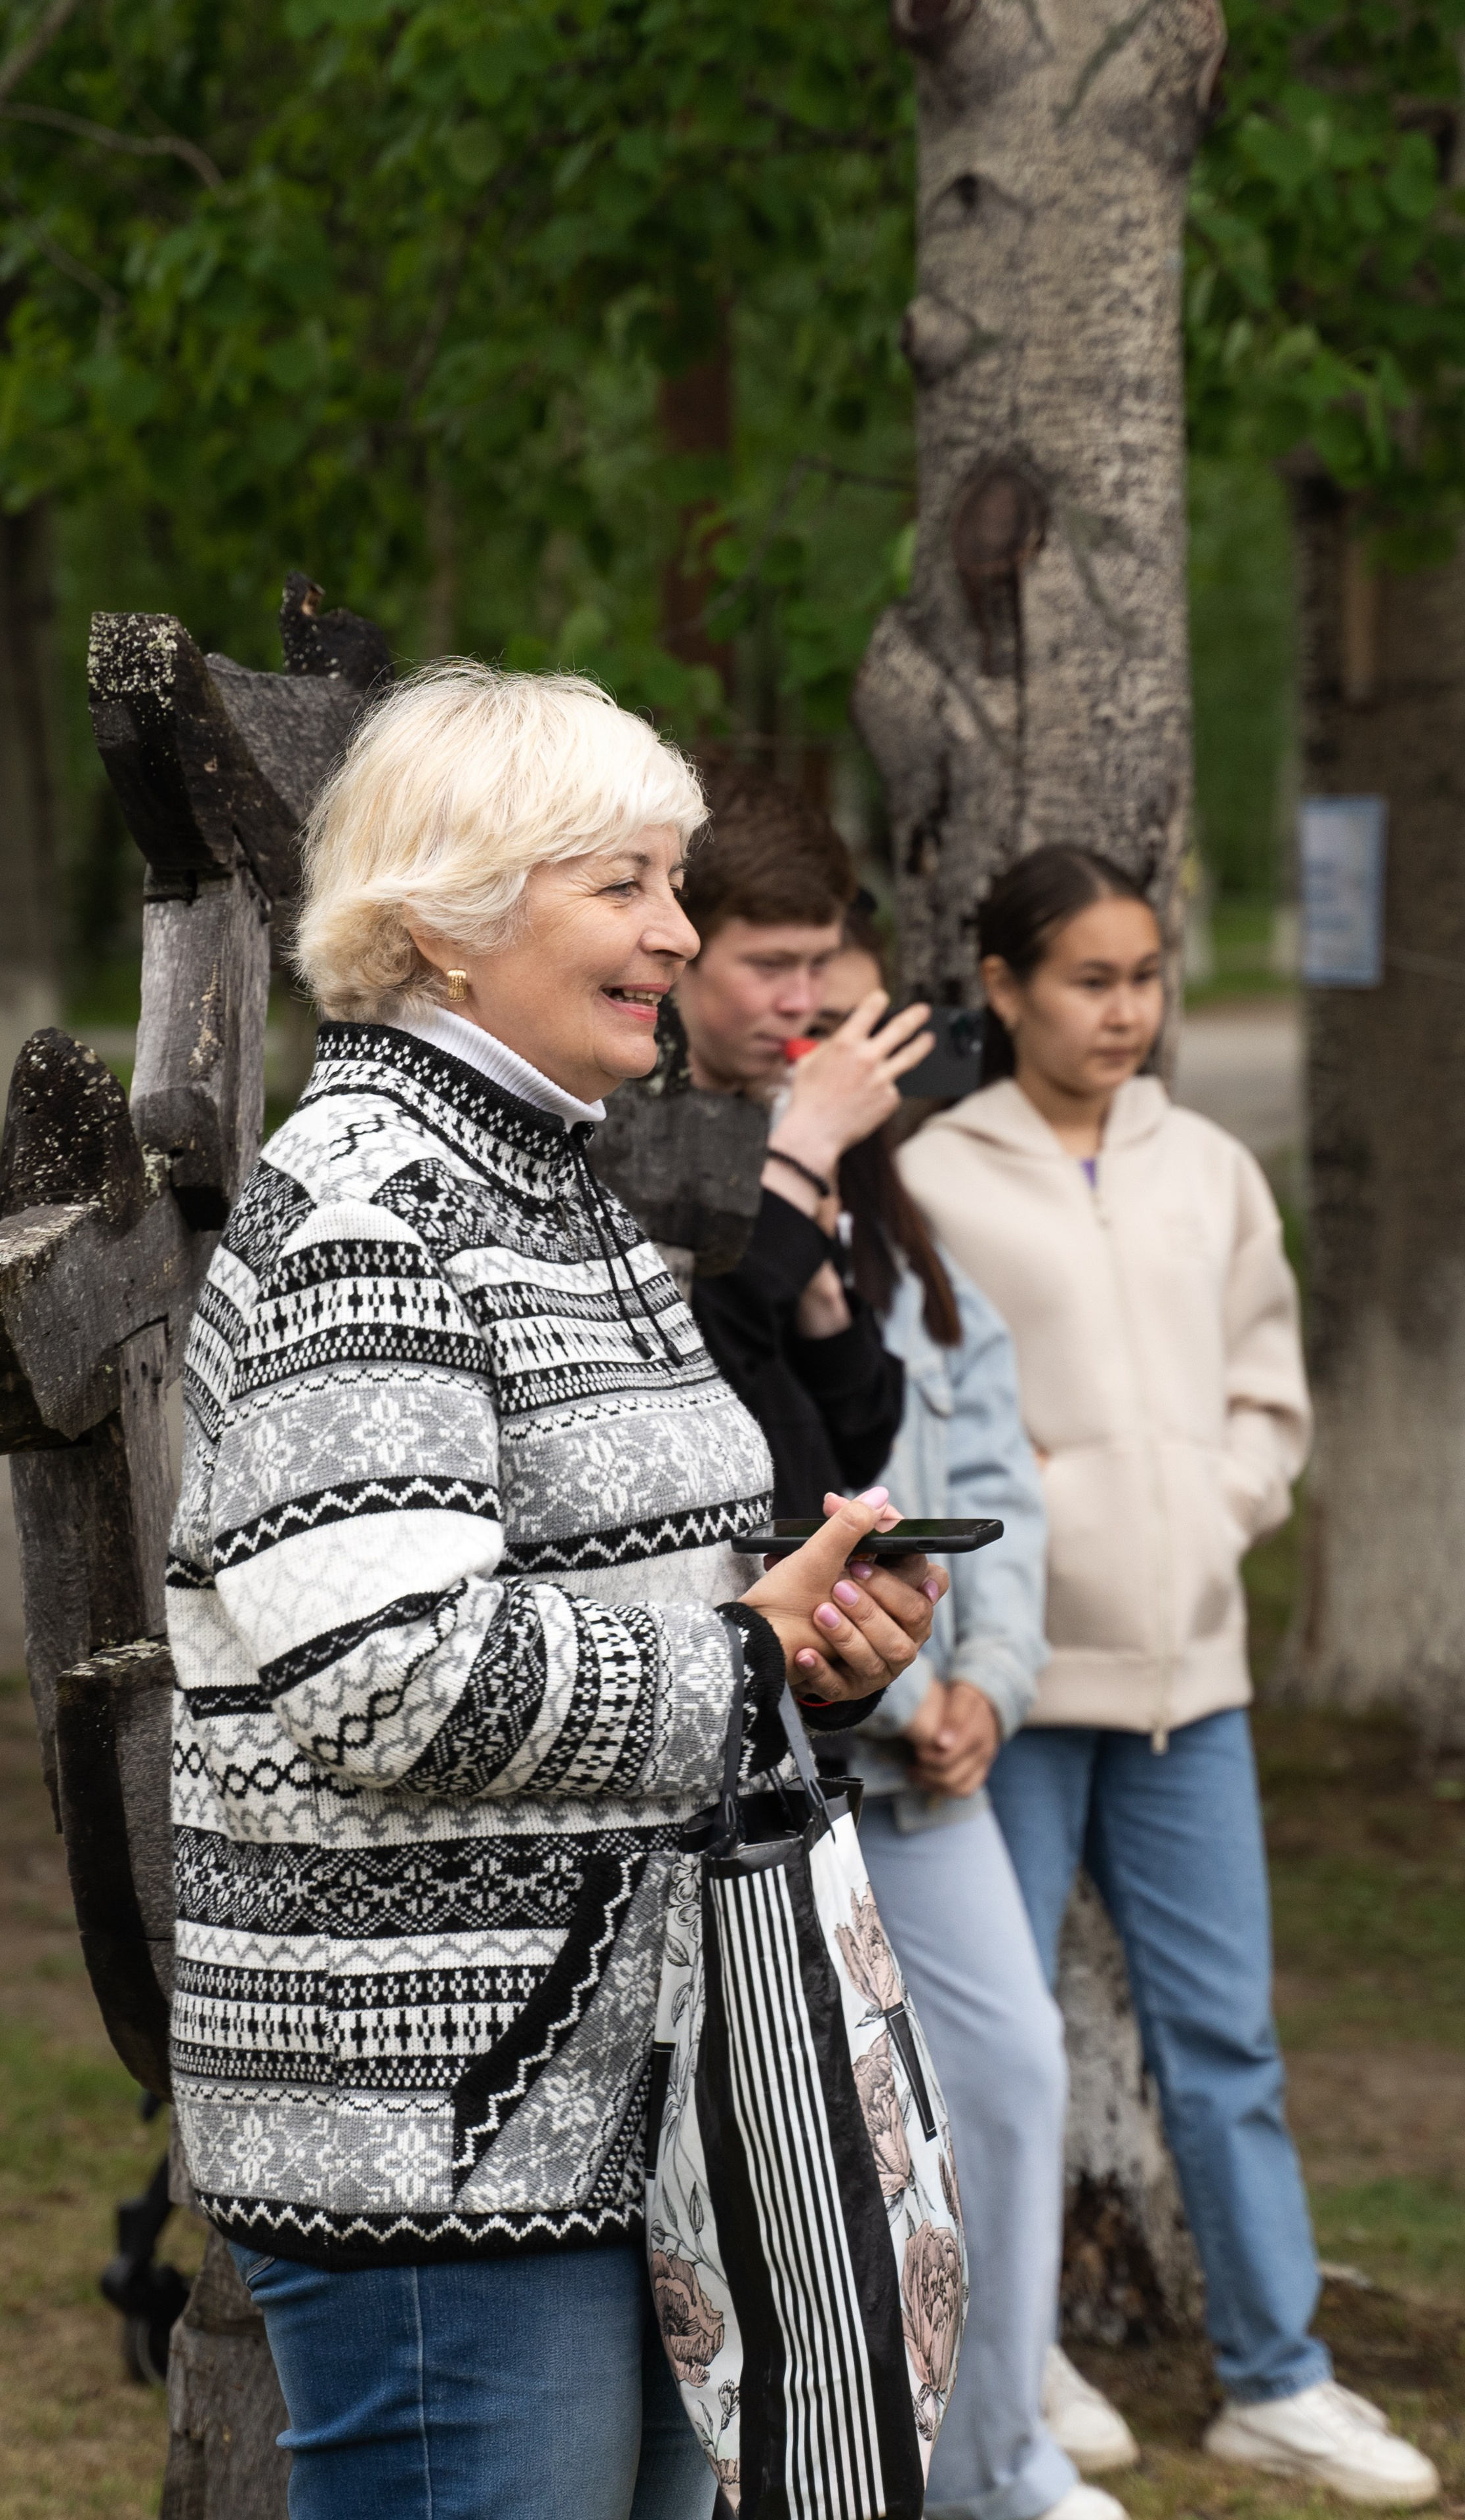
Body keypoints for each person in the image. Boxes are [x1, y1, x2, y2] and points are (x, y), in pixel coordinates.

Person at [164, 663, 943, 2520]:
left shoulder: (554, 1188)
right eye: (625, 884)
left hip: (615, 2102)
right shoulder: (371, 1214)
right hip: (433, 2134)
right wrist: (737, 1657)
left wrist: (810, 1653)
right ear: (443, 916)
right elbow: (381, 1677)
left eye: (675, 885)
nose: (678, 932)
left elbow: (645, 1590)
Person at [903, 844, 1439, 2509]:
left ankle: (1273, 2375)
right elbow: (926, 1420)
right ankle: (1015, 2362)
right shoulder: (929, 1174)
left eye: (1144, 975)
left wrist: (1208, 1514)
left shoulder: (1208, 1167)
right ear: (1000, 989)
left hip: (1188, 1683)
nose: (1123, 1008)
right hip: (1012, 1688)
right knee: (998, 2052)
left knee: (1223, 2040)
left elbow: (1265, 1391)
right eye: (1087, 977)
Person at [683, 797, 1140, 2520]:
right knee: (800, 2147)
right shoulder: (681, 1165)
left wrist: (983, 1684)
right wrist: (794, 1185)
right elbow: (737, 1438)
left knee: (1011, 2075)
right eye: (780, 974)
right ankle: (809, 2468)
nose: (816, 1021)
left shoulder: (903, 1228)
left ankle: (997, 2463)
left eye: (841, 991)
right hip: (756, 1743)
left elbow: (906, 1456)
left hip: (897, 1733)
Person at [675, 765, 925, 1511]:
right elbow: (704, 1370)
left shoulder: (772, 1120)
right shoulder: (621, 1127)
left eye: (818, 964)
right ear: (679, 949)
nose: (801, 1003)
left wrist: (818, 1285)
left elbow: (863, 1438)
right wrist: (806, 1151)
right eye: (769, 965)